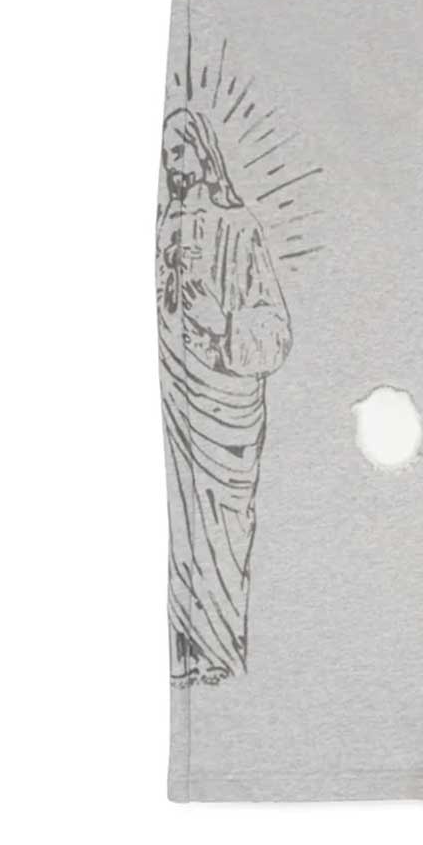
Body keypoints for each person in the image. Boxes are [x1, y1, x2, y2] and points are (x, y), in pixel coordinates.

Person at [157, 108, 292, 686]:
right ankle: (189, 649)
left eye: (180, 150)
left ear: (203, 152)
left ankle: (221, 652)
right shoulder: (166, 230)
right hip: (181, 402)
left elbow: (275, 330)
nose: (172, 163)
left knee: (224, 527)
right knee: (183, 519)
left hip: (228, 412)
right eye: (166, 153)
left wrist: (222, 324)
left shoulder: (239, 229)